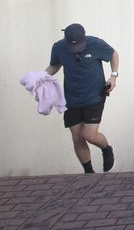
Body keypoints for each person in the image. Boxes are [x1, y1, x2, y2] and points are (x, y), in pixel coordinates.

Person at [46, 23, 119, 173]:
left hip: (94, 96)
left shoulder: (95, 43)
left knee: (89, 135)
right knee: (77, 137)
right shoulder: (58, 47)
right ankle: (89, 172)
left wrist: (113, 76)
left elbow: (113, 54)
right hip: (71, 98)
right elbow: (54, 65)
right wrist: (40, 78)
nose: (75, 50)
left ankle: (106, 149)